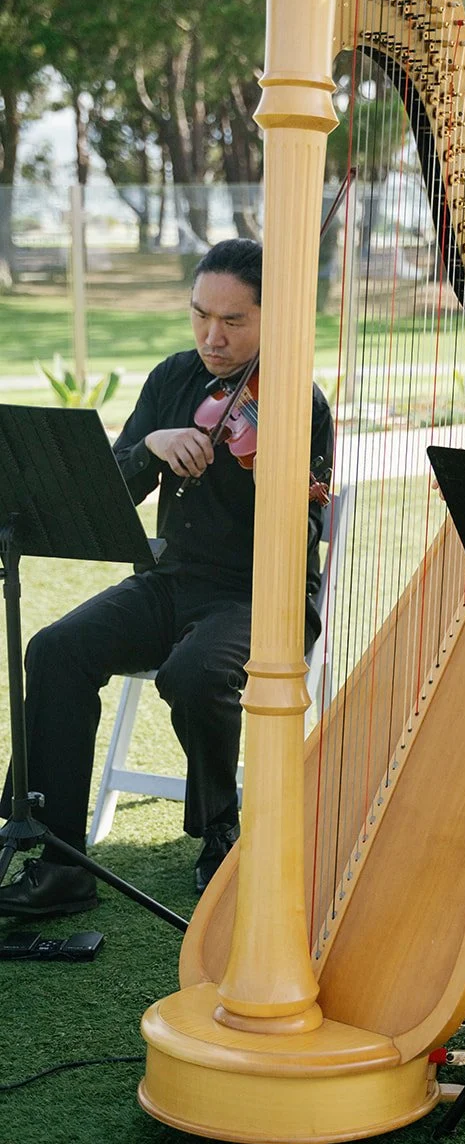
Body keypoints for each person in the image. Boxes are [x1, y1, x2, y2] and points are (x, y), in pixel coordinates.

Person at [0, 238, 333, 913]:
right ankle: (62, 860)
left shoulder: (301, 402)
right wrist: (149, 446)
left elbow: (304, 539)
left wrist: (275, 482)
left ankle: (219, 833)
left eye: (233, 321)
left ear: (274, 319)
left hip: (255, 593)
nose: (212, 335)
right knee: (55, 650)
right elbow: (113, 489)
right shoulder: (171, 380)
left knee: (197, 674)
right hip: (170, 580)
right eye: (200, 315)